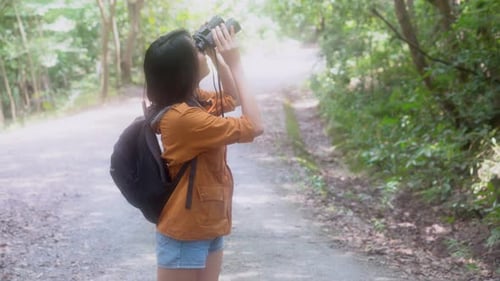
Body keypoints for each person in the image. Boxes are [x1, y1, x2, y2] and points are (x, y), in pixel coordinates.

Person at [143, 23, 263, 281]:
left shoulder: (191, 99)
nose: (202, 51)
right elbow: (255, 126)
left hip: (206, 221)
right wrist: (236, 63)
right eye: (196, 50)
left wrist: (214, 55)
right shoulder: (182, 117)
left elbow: (233, 98)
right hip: (184, 231)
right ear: (184, 70)